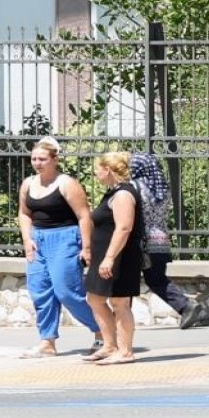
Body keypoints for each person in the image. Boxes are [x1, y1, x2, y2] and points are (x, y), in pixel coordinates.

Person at [16, 136, 100, 358]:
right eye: (34, 158)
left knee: (67, 291)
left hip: (65, 239)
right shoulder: (28, 184)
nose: (37, 163)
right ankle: (47, 341)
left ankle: (103, 331)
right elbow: (24, 213)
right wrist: (27, 239)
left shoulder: (66, 183)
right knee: (40, 291)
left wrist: (87, 247)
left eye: (42, 159)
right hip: (38, 239)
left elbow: (84, 216)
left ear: (55, 160)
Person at [130, 152, 209, 328]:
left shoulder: (134, 187)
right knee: (157, 277)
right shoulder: (160, 187)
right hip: (160, 238)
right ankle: (197, 311)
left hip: (143, 240)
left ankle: (187, 306)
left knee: (142, 279)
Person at [82, 152, 146, 365]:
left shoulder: (123, 195)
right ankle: (110, 345)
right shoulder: (112, 193)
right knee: (95, 298)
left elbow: (124, 227)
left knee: (119, 302)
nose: (95, 173)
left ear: (107, 170)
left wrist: (109, 258)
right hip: (105, 255)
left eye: (98, 169)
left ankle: (125, 351)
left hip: (120, 257)